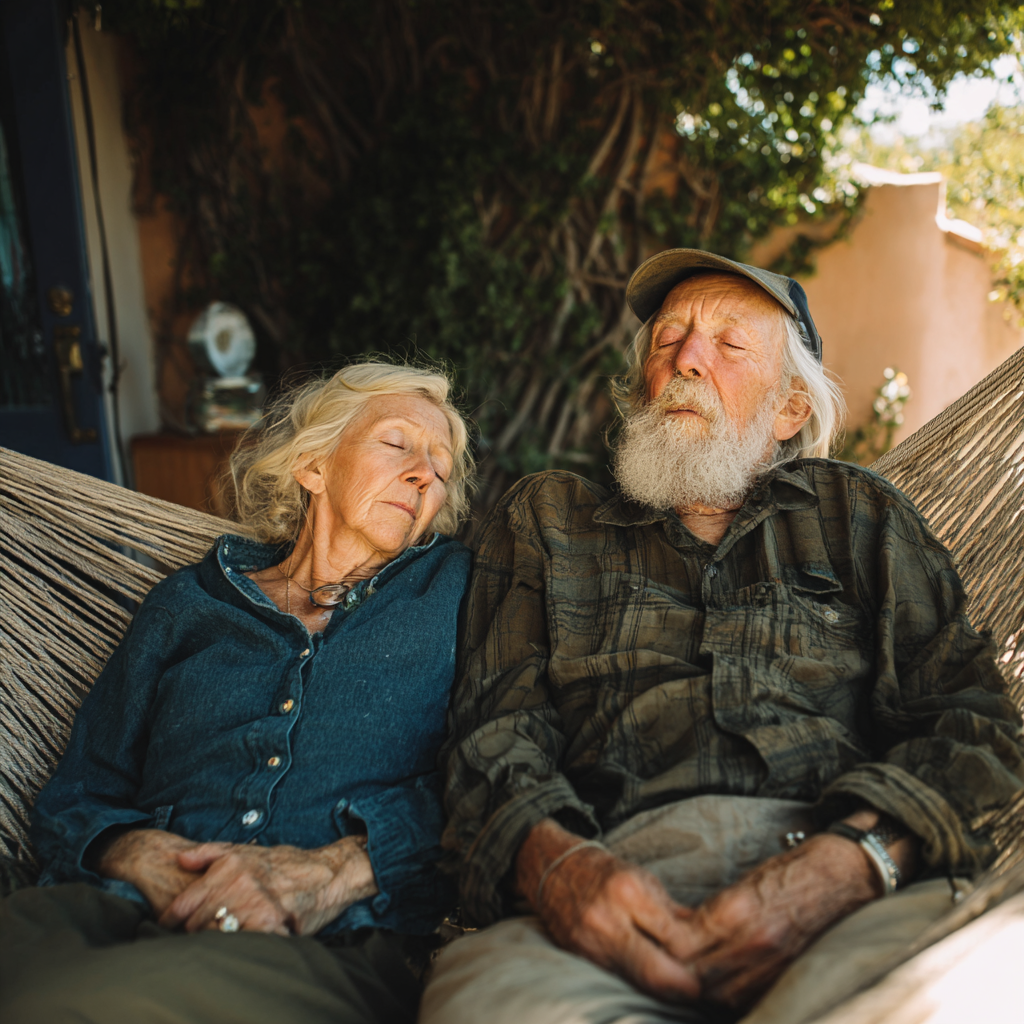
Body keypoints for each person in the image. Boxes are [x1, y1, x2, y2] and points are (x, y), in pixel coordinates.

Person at [422, 251, 1024, 1024]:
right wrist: (560, 869)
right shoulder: (549, 520)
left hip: (855, 882)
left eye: (730, 345)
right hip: (603, 890)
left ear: (789, 412)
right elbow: (491, 728)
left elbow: (971, 720)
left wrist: (850, 862)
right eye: (668, 340)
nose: (686, 360)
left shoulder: (857, 515)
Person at [0, 362, 474, 1024]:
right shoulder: (188, 604)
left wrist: (341, 869)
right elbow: (76, 797)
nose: (426, 473)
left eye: (442, 466)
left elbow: (488, 781)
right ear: (313, 465)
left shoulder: (458, 595)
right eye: (397, 443)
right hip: (107, 908)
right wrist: (136, 852)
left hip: (315, 939)